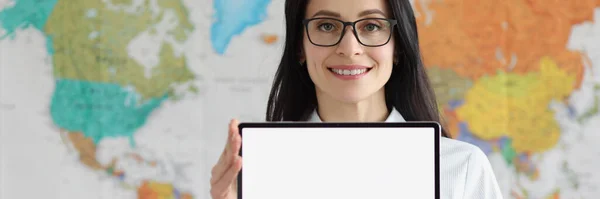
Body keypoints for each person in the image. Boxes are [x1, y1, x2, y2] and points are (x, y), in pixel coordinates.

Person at [209, 0, 504, 198]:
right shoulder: (256, 171)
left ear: (398, 47)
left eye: (371, 26)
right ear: (300, 47)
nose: (349, 48)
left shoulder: (461, 167)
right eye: (326, 26)